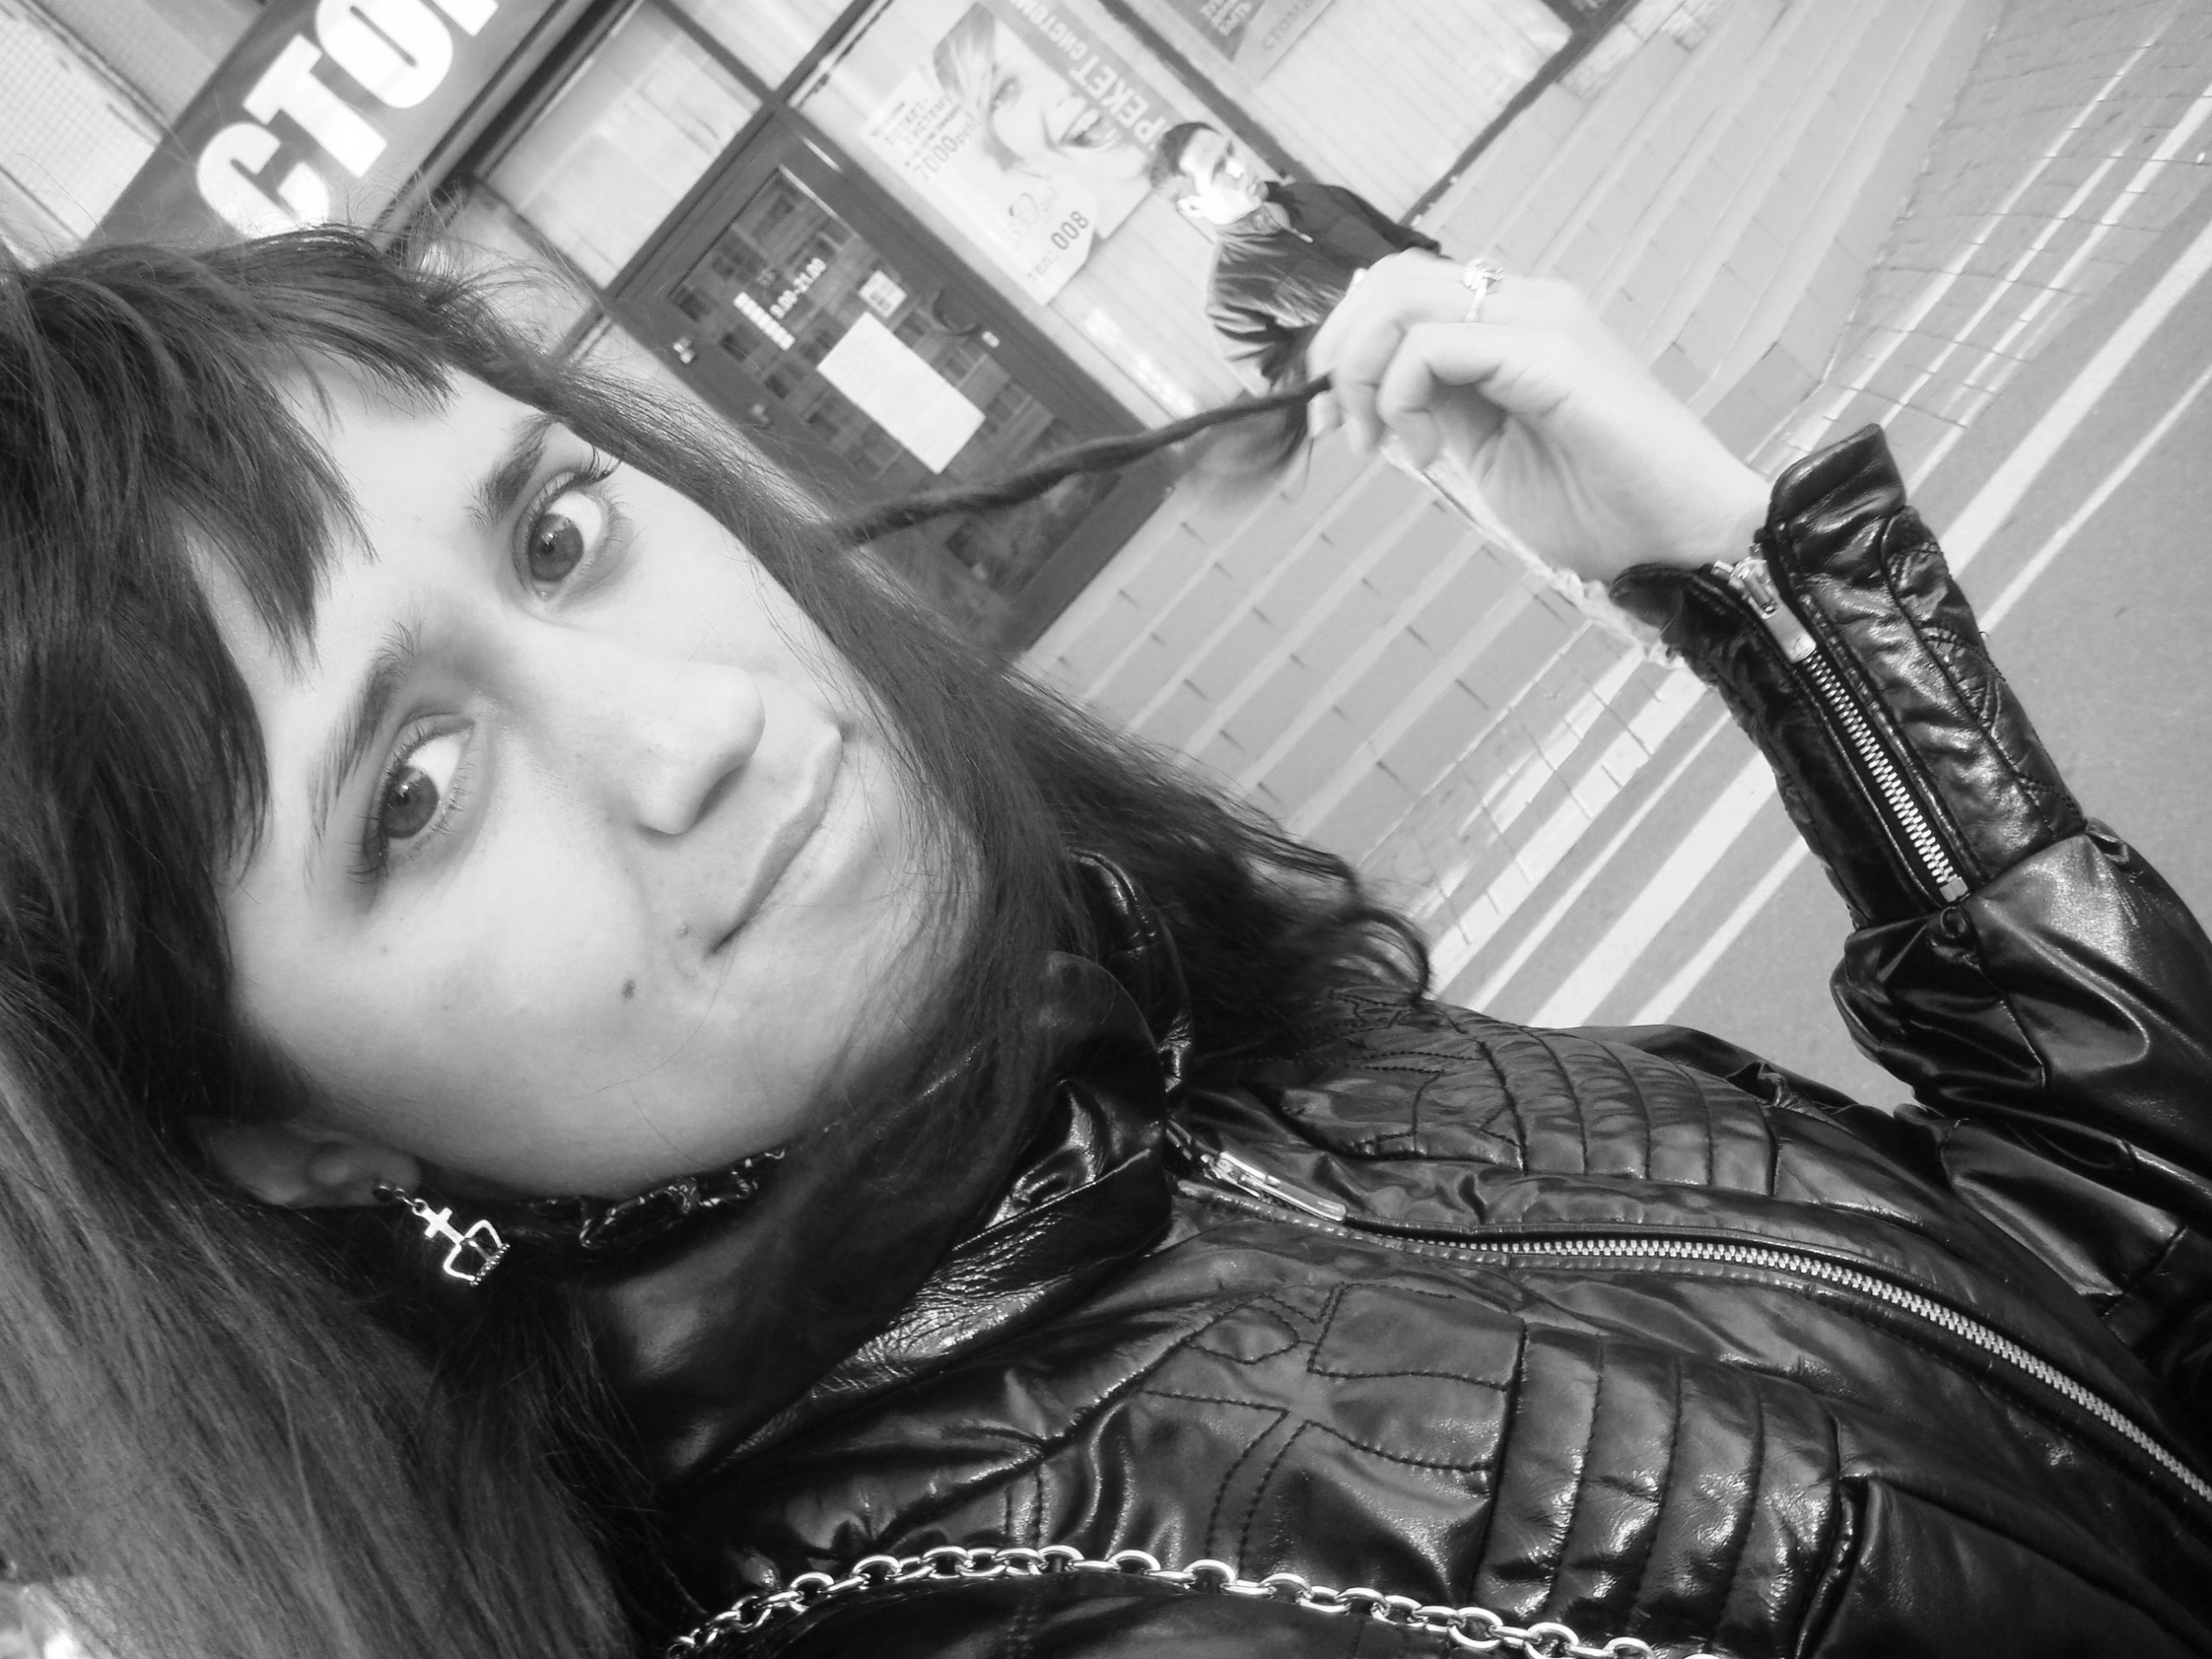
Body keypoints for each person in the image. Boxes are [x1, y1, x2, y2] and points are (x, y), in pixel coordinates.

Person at [0, 229, 2209, 1659]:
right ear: (285, 1133)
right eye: (411, 794)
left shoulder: (1138, 1074)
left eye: (559, 534)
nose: (687, 732)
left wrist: (1750, 599)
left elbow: (2081, 1395)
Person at [1151, 120, 1441, 390]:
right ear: (1193, 206)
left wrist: (1458, 282)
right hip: (1400, 389)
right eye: (1219, 170)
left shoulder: (1313, 196)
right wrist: (1346, 322)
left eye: (1231, 150)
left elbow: (1412, 245)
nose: (1240, 167)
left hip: (1449, 322)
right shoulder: (1231, 294)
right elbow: (1283, 394)